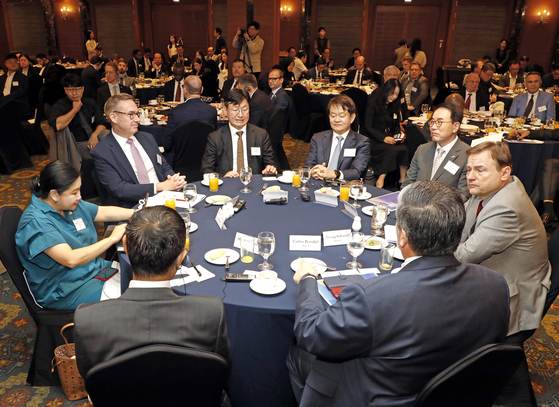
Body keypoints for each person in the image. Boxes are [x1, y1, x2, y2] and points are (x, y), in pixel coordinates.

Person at [287, 180, 510, 407]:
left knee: (298, 356)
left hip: (375, 396)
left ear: (402, 236)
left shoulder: (372, 297)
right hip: (453, 395)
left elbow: (310, 332)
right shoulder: (496, 284)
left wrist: (307, 280)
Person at [74, 205, 230, 390]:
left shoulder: (87, 319)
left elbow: (90, 377)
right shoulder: (211, 313)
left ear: (126, 248)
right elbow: (220, 370)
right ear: (181, 258)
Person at [455, 141, 551, 407]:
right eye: (469, 170)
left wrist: (425, 245)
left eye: (480, 170)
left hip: (514, 296)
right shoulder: (487, 192)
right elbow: (460, 230)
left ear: (504, 173)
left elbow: (463, 255)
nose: (471, 176)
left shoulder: (505, 206)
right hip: (496, 276)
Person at [15, 161, 134, 310]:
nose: (80, 196)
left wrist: (137, 212)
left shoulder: (67, 204)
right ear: (54, 194)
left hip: (90, 269)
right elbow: (70, 259)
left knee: (139, 280)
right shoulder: (37, 222)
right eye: (74, 192)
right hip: (66, 289)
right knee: (132, 300)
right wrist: (111, 239)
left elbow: (101, 212)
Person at [91, 94, 186, 208]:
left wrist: (174, 179)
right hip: (134, 207)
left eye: (137, 114)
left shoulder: (147, 138)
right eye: (131, 115)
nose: (137, 119)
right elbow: (120, 189)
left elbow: (163, 167)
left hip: (165, 200)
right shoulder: (102, 152)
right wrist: (160, 187)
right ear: (114, 117)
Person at [201, 88, 277, 177]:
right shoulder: (215, 138)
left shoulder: (261, 135)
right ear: (225, 110)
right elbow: (206, 169)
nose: (240, 115)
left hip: (254, 185)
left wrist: (270, 169)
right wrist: (223, 177)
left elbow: (270, 162)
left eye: (244, 110)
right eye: (235, 110)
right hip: (227, 186)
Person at [403, 104, 470, 201]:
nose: (433, 127)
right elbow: (407, 185)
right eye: (432, 121)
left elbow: (463, 197)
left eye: (439, 122)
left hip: (445, 212)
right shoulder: (422, 150)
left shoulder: (467, 155)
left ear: (455, 126)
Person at [305, 95, 370, 181]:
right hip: (319, 185)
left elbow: (356, 171)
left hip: (344, 189)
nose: (337, 120)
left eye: (342, 116)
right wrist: (313, 170)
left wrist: (333, 174)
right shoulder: (318, 138)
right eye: (333, 115)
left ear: (352, 118)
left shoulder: (361, 142)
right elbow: (309, 165)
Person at [363, 78, 408, 188]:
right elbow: (367, 127)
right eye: (392, 93)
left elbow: (397, 125)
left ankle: (403, 181)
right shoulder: (373, 103)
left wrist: (398, 136)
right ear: (386, 91)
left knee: (404, 148)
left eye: (397, 94)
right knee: (391, 150)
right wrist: (383, 138)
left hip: (389, 137)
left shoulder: (394, 105)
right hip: (374, 139)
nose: (394, 97)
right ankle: (380, 180)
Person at [49, 74, 109, 154]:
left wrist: (95, 135)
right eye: (70, 90)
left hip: (94, 137)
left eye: (77, 89)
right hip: (75, 143)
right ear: (65, 90)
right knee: (103, 152)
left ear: (82, 89)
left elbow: (102, 123)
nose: (74, 93)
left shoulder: (90, 103)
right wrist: (75, 110)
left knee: (109, 138)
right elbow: (58, 125)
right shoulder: (60, 105)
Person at [163, 75, 217, 153]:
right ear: (202, 90)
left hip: (180, 161)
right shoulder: (212, 111)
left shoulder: (176, 112)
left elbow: (167, 144)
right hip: (206, 159)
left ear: (184, 90)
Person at [0, 52, 31, 118]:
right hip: (3, 102)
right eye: (11, 62)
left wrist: (5, 98)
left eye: (15, 62)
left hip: (16, 103)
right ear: (6, 64)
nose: (13, 64)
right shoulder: (2, 78)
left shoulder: (22, 77)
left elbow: (21, 92)